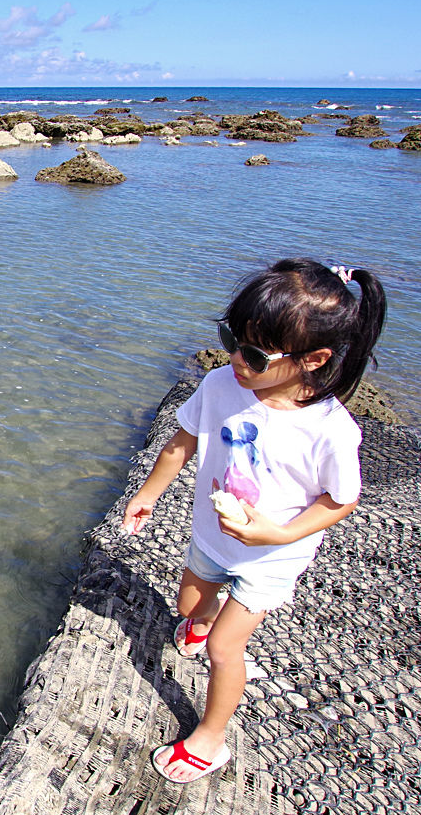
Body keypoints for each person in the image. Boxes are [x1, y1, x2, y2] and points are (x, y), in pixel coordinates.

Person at [122, 258, 387, 784]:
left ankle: (210, 738)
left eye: (254, 353)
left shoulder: (330, 431)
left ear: (314, 359)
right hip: (210, 536)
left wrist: (282, 533)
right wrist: (148, 493)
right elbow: (182, 443)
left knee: (223, 648)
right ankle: (204, 619)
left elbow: (342, 500)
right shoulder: (222, 384)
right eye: (231, 338)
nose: (234, 358)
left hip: (272, 557)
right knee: (190, 612)